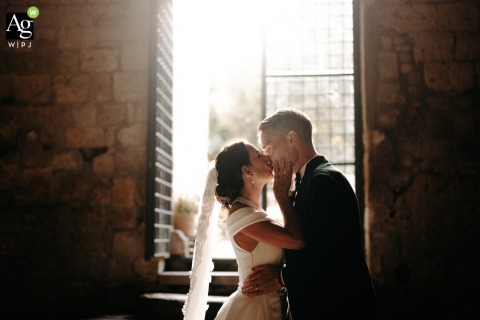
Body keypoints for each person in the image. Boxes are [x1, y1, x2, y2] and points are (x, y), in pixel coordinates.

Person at [242, 108, 379, 319]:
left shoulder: (324, 181)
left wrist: (281, 277)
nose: (267, 156)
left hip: (339, 308)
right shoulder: (307, 180)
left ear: (291, 138)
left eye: (268, 146)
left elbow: (333, 258)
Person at [183, 141, 305, 320]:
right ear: (247, 171)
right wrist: (280, 195)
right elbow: (297, 240)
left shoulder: (252, 209)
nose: (267, 157)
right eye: (258, 155)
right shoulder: (241, 214)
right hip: (254, 310)